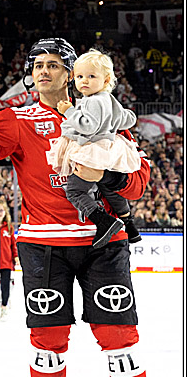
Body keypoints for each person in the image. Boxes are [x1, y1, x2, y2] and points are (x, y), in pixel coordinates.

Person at [0, 37, 153, 377]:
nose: (44, 71)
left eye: (54, 64)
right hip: (42, 243)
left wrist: (108, 177)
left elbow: (139, 180)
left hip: (104, 239)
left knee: (118, 334)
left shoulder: (103, 112)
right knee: (48, 335)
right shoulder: (16, 118)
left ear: (72, 73)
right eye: (37, 64)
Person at [45, 49, 142, 248]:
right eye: (80, 76)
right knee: (109, 188)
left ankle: (104, 221)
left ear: (106, 81)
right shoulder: (109, 99)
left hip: (92, 148)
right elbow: (127, 118)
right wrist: (119, 120)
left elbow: (87, 126)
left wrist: (68, 111)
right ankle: (129, 224)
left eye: (91, 76)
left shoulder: (92, 101)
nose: (84, 81)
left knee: (74, 191)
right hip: (107, 148)